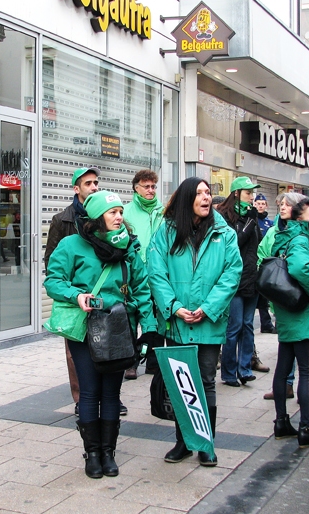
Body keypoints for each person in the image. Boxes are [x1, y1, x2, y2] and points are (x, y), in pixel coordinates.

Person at [44, 191, 158, 478]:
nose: (120, 216)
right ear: (97, 218)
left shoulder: (129, 247)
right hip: (84, 328)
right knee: (90, 390)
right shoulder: (72, 245)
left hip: (119, 328)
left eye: (121, 211)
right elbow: (53, 281)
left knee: (111, 392)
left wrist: (150, 329)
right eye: (113, 212)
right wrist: (76, 295)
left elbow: (142, 289)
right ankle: (92, 453)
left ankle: (109, 453)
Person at [148, 177, 242, 467]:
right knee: (180, 383)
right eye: (199, 193)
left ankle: (206, 444)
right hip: (177, 321)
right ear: (187, 198)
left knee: (205, 381)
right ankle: (183, 442)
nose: (206, 198)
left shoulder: (223, 233)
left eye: (208, 192)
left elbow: (232, 273)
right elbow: (156, 271)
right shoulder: (166, 231)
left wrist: (208, 307)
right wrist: (173, 308)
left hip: (209, 321)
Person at [44, 168, 109, 415]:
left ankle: (108, 395)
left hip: (102, 297)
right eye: (88, 183)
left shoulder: (105, 216)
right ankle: (82, 399)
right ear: (76, 188)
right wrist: (70, 290)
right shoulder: (63, 220)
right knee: (75, 354)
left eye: (96, 183)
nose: (94, 187)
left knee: (107, 348)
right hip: (75, 299)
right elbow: (51, 260)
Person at [270, 198, 309, 447]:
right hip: (303, 313)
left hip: (289, 312)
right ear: (300, 219)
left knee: (283, 368)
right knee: (306, 372)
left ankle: (281, 422)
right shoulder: (301, 239)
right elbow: (300, 269)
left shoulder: (287, 238)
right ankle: (307, 427)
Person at [218, 176, 263, 386]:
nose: (251, 197)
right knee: (234, 326)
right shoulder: (225, 216)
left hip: (252, 279)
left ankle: (244, 369)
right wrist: (252, 222)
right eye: (247, 193)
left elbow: (258, 245)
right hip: (234, 280)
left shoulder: (251, 217)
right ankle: (228, 373)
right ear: (236, 194)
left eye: (252, 193)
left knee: (248, 325)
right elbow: (235, 242)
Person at [260, 192, 306, 401]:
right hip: (280, 293)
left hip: (299, 293)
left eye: (287, 204)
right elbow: (262, 254)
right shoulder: (273, 231)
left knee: (298, 344)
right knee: (285, 342)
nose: (282, 207)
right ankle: (285, 385)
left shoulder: (304, 231)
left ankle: (292, 384)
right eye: (281, 204)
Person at [123, 169, 164, 378]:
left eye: (153, 186)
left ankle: (154, 362)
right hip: (133, 275)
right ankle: (131, 362)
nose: (150, 190)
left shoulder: (163, 211)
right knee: (131, 318)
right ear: (136, 188)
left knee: (156, 319)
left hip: (157, 275)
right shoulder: (125, 211)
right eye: (146, 186)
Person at [254, 192, 275, 335]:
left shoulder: (270, 223)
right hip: (255, 260)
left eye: (263, 204)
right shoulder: (252, 220)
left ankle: (266, 323)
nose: (260, 206)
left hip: (267, 263)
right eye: (258, 203)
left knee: (266, 295)